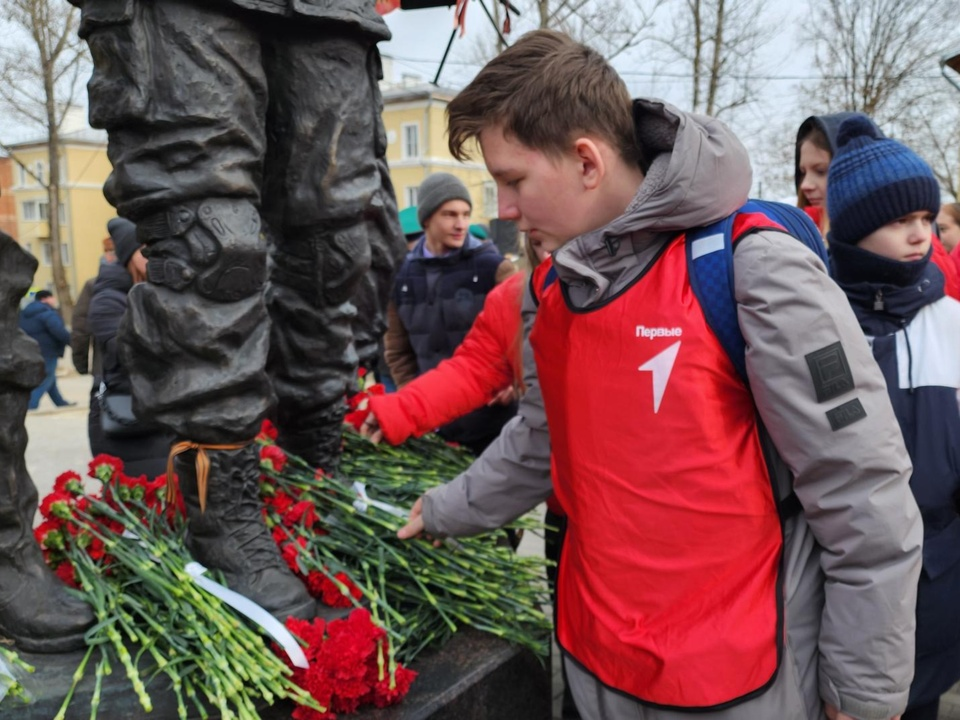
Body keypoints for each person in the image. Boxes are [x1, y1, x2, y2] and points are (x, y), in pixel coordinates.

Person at [398, 30, 923, 720]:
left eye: (513, 180)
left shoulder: (750, 267)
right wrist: (445, 509)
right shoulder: (551, 292)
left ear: (587, 160)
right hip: (597, 669)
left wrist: (865, 689)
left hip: (742, 684)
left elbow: (860, 484)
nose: (505, 211)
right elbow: (543, 441)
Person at [70, 0, 406, 620]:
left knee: (332, 250)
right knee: (212, 245)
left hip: (333, 11)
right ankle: (224, 520)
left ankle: (313, 480)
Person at [827, 117, 960, 720]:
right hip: (836, 581)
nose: (921, 235)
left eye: (927, 220)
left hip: (936, 585)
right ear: (854, 231)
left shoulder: (951, 326)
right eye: (899, 220)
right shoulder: (821, 324)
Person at [383, 172, 517, 454]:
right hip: (435, 427)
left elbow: (523, 337)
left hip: (493, 425)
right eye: (450, 214)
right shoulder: (401, 276)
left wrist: (513, 383)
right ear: (427, 218)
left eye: (466, 214)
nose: (461, 224)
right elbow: (397, 350)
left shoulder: (494, 268)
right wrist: (415, 399)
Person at [795, 113, 960, 297]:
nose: (805, 185)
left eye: (821, 171)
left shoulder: (920, 260)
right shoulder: (799, 239)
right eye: (802, 172)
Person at [88, 218, 174, 477]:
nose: (156, 258)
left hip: (159, 419)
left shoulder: (160, 292)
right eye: (147, 251)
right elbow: (129, 353)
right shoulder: (107, 300)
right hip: (128, 421)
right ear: (129, 255)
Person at [19, 289, 75, 410]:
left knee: (50, 378)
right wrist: (73, 342)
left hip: (30, 350)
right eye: (52, 297)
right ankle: (31, 405)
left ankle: (59, 402)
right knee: (46, 377)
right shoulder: (48, 313)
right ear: (45, 299)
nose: (54, 300)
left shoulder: (24, 314)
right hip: (48, 351)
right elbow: (59, 331)